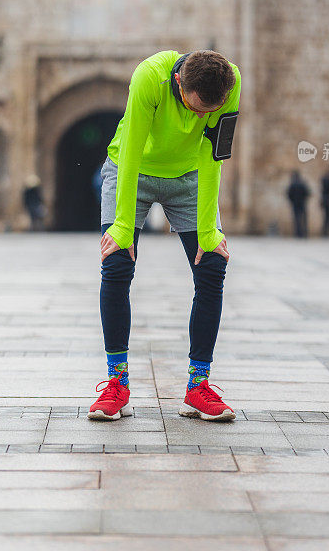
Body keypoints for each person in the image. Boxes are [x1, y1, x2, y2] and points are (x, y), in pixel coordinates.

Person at [89, 50, 241, 422]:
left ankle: (198, 386)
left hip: (189, 176)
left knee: (212, 268)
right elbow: (130, 149)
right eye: (197, 108)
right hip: (132, 169)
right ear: (179, 84)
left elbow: (212, 155)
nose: (203, 116)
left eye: (211, 111)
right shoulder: (149, 77)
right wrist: (123, 226)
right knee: (117, 263)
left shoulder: (230, 83)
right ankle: (116, 383)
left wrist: (208, 232)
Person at [286, 171, 311, 238]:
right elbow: (307, 193)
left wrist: (292, 201)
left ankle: (298, 233)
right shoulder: (303, 183)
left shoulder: (292, 184)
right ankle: (305, 233)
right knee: (303, 219)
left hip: (295, 204)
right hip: (302, 203)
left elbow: (289, 194)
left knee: (297, 219)